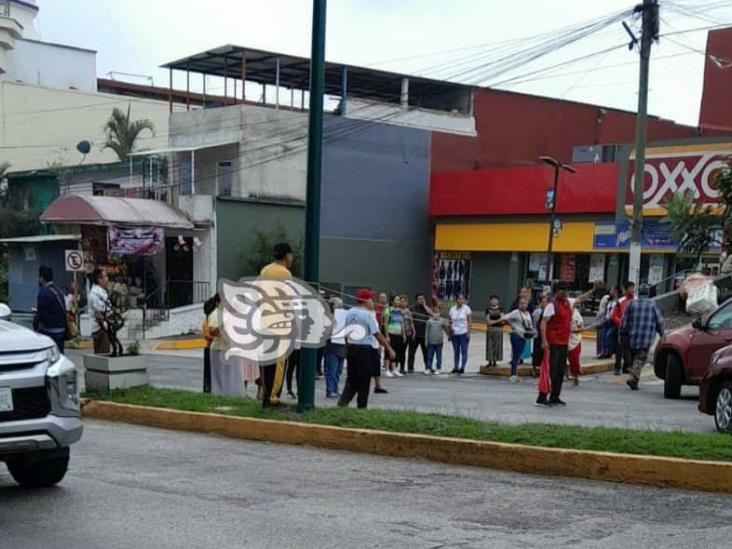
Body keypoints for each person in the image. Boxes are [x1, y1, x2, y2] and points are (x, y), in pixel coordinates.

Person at [538, 282, 594, 406]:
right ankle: (542, 397)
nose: (564, 292)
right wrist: (544, 341)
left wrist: (594, 289)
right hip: (552, 342)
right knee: (550, 371)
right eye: (562, 290)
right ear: (556, 291)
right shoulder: (551, 305)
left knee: (559, 371)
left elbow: (581, 298)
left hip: (564, 342)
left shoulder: (568, 302)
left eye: (566, 289)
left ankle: (555, 396)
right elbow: (543, 323)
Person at [338, 289, 395, 409]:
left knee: (352, 378)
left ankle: (343, 403)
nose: (372, 301)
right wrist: (389, 349)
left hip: (351, 347)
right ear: (365, 300)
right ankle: (362, 406)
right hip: (364, 349)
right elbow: (377, 334)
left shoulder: (350, 312)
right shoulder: (368, 315)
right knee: (364, 380)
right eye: (370, 299)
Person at [259, 242, 293, 408]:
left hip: (265, 320)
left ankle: (266, 394)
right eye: (291, 255)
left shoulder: (265, 270)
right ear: (286, 255)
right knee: (279, 362)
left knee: (267, 361)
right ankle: (273, 398)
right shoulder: (285, 273)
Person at [622, 284, 665, 391]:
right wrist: (662, 334)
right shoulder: (652, 304)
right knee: (640, 358)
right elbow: (660, 321)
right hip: (646, 337)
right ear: (648, 293)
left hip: (633, 336)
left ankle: (633, 376)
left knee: (635, 357)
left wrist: (622, 333)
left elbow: (624, 320)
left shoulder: (632, 303)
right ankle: (633, 378)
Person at [488, 297, 534, 382]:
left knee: (519, 354)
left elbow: (529, 324)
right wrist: (493, 322)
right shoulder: (516, 312)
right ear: (518, 304)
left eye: (525, 303)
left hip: (524, 335)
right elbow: (505, 318)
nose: (523, 305)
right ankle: (513, 374)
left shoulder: (527, 313)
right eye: (521, 303)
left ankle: (515, 373)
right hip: (516, 335)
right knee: (516, 355)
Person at [208, 297, 243, 396]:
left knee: (232, 376)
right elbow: (212, 332)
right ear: (219, 302)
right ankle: (219, 396)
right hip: (219, 349)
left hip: (230, 348)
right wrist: (222, 327)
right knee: (220, 377)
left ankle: (232, 395)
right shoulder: (215, 314)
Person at [34, 266, 67, 353]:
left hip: (50, 332)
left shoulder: (44, 293)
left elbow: (42, 315)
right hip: (61, 330)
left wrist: (38, 327)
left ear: (41, 278)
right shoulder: (58, 291)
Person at [612, 281, 636, 375]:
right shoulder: (620, 301)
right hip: (622, 329)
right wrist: (621, 323)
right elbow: (614, 315)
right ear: (625, 290)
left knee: (631, 349)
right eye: (630, 288)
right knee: (619, 349)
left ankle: (627, 367)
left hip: (633, 330)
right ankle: (617, 368)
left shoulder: (636, 300)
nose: (632, 290)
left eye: (633, 288)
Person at [324, 297, 347, 398]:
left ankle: (335, 389)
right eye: (338, 305)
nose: (340, 307)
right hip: (332, 346)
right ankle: (330, 390)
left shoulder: (343, 317)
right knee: (331, 370)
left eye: (341, 305)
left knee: (338, 371)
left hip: (342, 346)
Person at [88, 268, 111, 355]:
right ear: (99, 280)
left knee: (105, 352)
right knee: (103, 355)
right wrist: (104, 326)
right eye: (105, 277)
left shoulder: (101, 292)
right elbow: (98, 313)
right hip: (100, 328)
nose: (107, 279)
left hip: (104, 327)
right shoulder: (95, 294)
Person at [448, 294, 472, 374]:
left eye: (463, 299)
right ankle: (455, 367)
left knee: (464, 351)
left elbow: (469, 321)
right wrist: (449, 333)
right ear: (456, 300)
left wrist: (469, 332)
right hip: (455, 333)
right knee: (456, 351)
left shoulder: (466, 309)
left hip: (463, 333)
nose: (461, 301)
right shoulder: (452, 309)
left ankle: (462, 367)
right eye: (459, 299)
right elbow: (450, 321)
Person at [201, 294, 220, 393]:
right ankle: (209, 389)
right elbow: (208, 334)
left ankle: (208, 389)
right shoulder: (212, 318)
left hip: (208, 347)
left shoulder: (207, 319)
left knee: (208, 373)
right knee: (211, 373)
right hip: (211, 347)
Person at [408, 293, 431, 373]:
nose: (421, 300)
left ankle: (428, 368)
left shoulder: (426, 308)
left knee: (426, 352)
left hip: (424, 334)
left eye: (423, 299)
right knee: (411, 352)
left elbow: (432, 314)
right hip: (414, 334)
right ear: (416, 300)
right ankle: (410, 368)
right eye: (420, 299)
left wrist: (424, 305)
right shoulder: (412, 309)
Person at [385, 295, 407, 377]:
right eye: (396, 299)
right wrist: (387, 335)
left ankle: (394, 369)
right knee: (388, 351)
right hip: (391, 333)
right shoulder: (388, 310)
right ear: (392, 301)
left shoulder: (401, 311)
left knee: (396, 351)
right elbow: (385, 323)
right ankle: (387, 369)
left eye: (399, 300)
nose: (398, 301)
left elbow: (402, 323)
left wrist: (403, 334)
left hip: (398, 333)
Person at [531, 295, 549, 376]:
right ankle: (535, 369)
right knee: (536, 352)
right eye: (543, 302)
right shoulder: (537, 311)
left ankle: (543, 369)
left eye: (546, 302)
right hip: (537, 334)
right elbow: (535, 323)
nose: (545, 303)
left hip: (546, 334)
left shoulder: (548, 311)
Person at [567, 304, 584, 386]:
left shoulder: (576, 315)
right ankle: (566, 374)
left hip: (574, 340)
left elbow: (581, 328)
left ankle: (575, 376)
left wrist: (572, 331)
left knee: (574, 359)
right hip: (563, 338)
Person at [484, 295, 504, 367]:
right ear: (490, 301)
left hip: (499, 330)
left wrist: (493, 321)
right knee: (489, 346)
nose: (494, 301)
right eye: (492, 300)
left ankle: (495, 361)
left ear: (498, 301)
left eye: (495, 300)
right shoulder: (487, 310)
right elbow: (488, 322)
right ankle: (490, 361)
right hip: (490, 330)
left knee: (497, 346)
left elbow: (502, 320)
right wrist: (497, 321)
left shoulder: (501, 309)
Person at [600, 287, 619, 359]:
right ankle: (604, 352)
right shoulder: (608, 301)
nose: (611, 292)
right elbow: (606, 311)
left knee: (608, 336)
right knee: (603, 336)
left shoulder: (618, 302)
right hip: (606, 320)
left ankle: (609, 352)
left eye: (613, 290)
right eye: (611, 290)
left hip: (613, 322)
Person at [401, 295, 416, 373]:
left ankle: (410, 367)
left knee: (411, 351)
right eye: (402, 301)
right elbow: (401, 324)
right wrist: (403, 335)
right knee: (402, 352)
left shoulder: (408, 311)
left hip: (409, 333)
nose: (403, 303)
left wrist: (414, 332)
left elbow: (411, 322)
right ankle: (402, 368)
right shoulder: (399, 311)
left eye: (405, 301)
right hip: (402, 334)